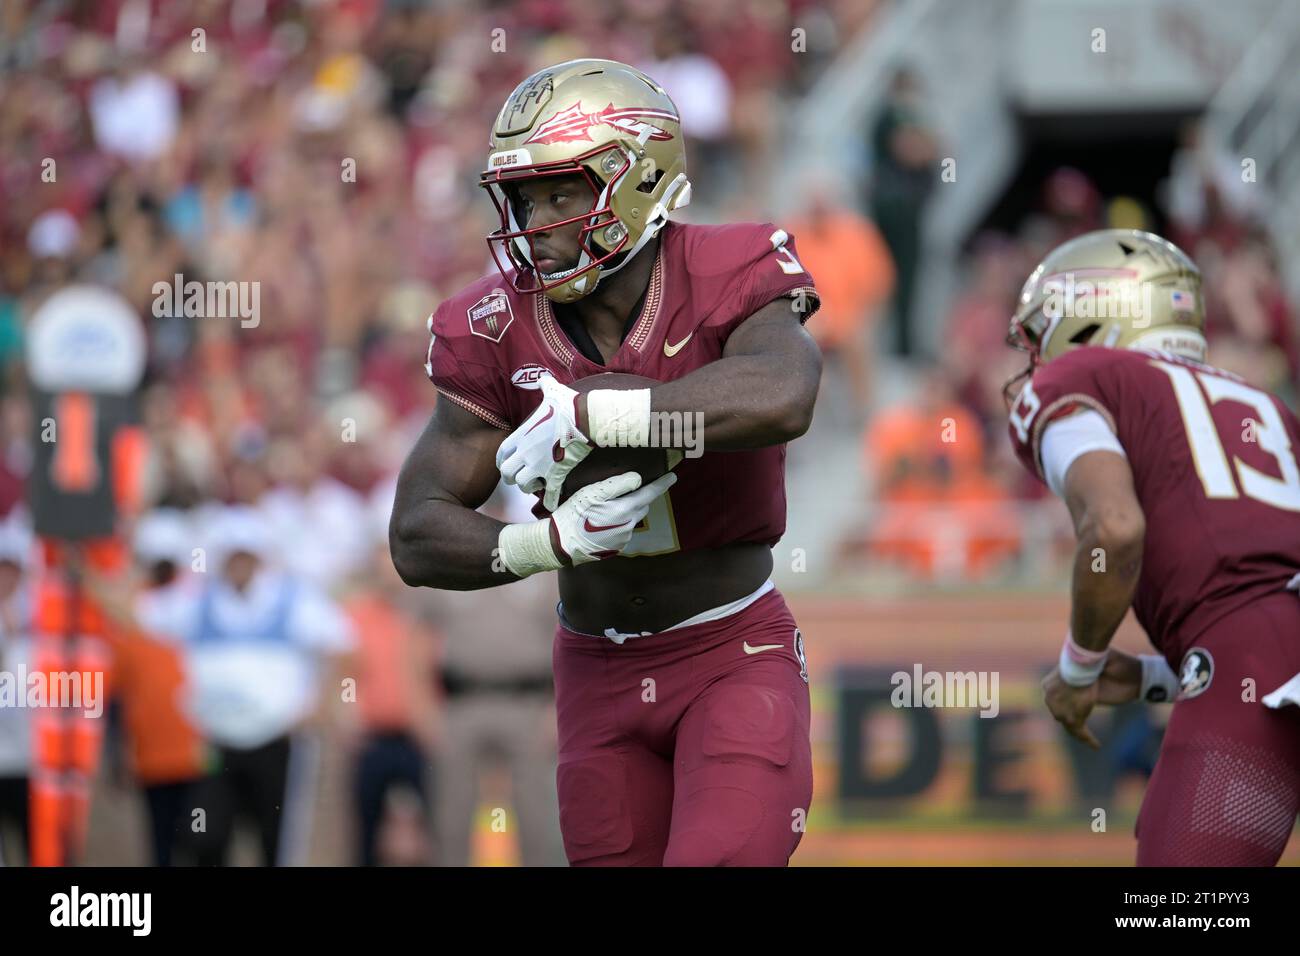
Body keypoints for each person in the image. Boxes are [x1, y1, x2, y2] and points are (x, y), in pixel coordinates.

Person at [391, 59, 820, 866]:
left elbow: (785, 391)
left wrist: (597, 413)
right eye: (525, 198)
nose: (538, 221)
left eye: (563, 194)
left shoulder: (728, 267)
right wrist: (542, 545)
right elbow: (414, 533)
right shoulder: (489, 324)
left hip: (730, 651)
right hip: (595, 671)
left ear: (640, 177)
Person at [1003, 228, 1300, 865]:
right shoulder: (1267, 409)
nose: (1034, 362)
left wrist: (1080, 668)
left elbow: (1114, 527)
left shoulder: (1085, 376)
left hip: (1253, 659)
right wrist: (1150, 676)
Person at [137, 506, 354, 866]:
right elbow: (138, 613)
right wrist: (84, 572)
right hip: (216, 744)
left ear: (258, 558)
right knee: (206, 837)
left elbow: (343, 647)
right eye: (232, 557)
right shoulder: (198, 602)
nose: (238, 565)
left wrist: (322, 705)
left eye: (245, 556)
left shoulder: (291, 599)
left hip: (277, 741)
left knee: (277, 840)